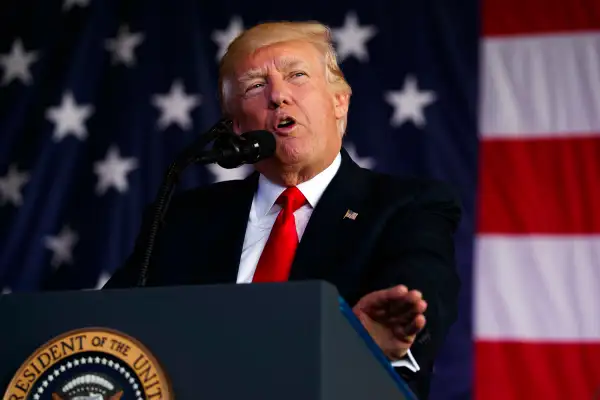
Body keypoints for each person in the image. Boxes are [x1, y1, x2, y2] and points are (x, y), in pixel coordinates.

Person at [104, 20, 461, 399]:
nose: (278, 96)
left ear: (339, 102)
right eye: (256, 86)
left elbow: (423, 297)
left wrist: (378, 338)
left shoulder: (408, 206)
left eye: (297, 75)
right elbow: (106, 326)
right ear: (237, 127)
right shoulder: (183, 219)